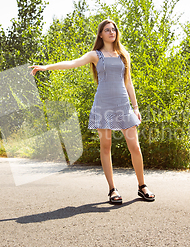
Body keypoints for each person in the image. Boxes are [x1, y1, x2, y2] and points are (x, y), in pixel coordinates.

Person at [30, 19, 155, 204]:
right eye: (107, 30)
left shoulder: (123, 54)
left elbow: (128, 82)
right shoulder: (95, 55)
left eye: (114, 29)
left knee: (134, 147)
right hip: (103, 106)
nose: (112, 32)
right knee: (106, 148)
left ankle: (142, 186)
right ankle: (112, 189)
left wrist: (135, 107)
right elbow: (72, 63)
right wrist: (47, 67)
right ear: (100, 34)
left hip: (123, 105)